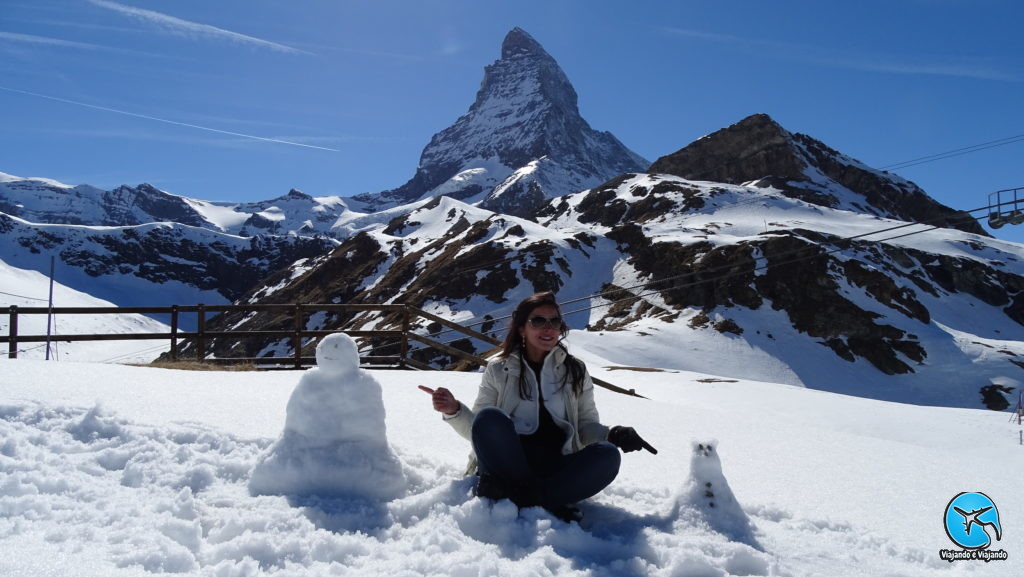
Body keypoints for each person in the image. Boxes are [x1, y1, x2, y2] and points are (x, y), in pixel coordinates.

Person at [420, 291, 656, 521]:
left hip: (555, 466)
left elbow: (585, 427)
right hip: (507, 463)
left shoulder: (575, 371)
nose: (548, 327)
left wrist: (612, 434)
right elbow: (481, 431)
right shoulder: (498, 369)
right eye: (538, 321)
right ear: (522, 328)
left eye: (555, 321)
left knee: (608, 456)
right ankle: (549, 500)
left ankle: (520, 496)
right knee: (490, 417)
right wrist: (454, 411)